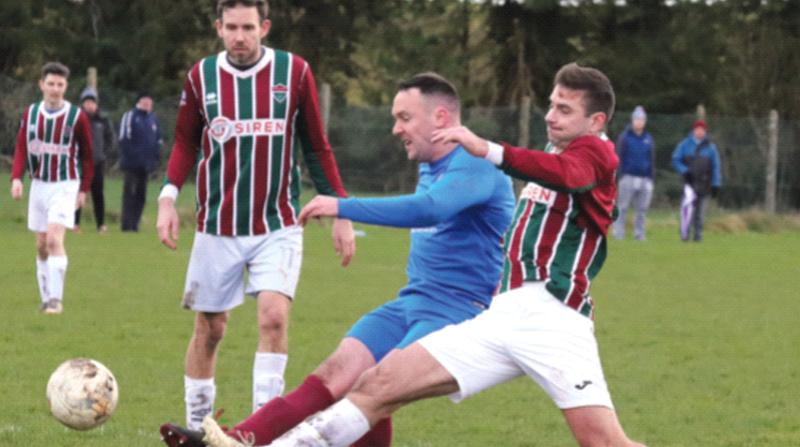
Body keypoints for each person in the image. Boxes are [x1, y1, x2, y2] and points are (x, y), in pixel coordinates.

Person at [209, 62, 646, 447]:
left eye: (564, 110)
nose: (551, 116)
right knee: (376, 384)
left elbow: (564, 175)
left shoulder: (596, 153)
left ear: (597, 121)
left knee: (604, 442)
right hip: (503, 313)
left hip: (552, 318)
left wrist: (490, 150)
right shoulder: (549, 150)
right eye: (551, 105)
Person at [159, 72, 515, 447]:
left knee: (372, 388)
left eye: (404, 118)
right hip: (413, 301)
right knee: (335, 375)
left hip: (458, 313)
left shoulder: (476, 163)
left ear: (441, 117)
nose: (396, 129)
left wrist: (343, 206)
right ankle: (234, 439)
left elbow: (430, 209)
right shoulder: (430, 162)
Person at [154, 0, 356, 433]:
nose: (240, 36)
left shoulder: (295, 72)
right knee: (211, 330)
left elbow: (317, 146)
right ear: (218, 28)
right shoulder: (201, 77)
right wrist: (168, 198)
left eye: (248, 27)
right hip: (216, 226)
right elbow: (185, 142)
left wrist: (340, 209)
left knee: (273, 317)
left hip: (277, 223)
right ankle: (197, 429)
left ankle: (262, 431)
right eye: (231, 27)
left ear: (264, 26)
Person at [9, 62, 93, 314]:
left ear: (66, 86)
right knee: (42, 244)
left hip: (65, 183)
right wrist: (16, 178)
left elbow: (89, 155)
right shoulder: (31, 113)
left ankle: (56, 300)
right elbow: (22, 147)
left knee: (55, 238)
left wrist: (83, 189)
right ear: (41, 85)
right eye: (51, 84)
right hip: (39, 184)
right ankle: (46, 298)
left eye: (60, 84)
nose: (55, 89)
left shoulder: (76, 116)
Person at [671, 119, 721, 242]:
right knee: (687, 212)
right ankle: (685, 236)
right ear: (694, 130)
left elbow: (716, 167)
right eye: (697, 129)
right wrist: (685, 171)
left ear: (705, 131)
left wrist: (716, 184)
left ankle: (698, 237)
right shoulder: (684, 144)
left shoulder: (711, 147)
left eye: (702, 130)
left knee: (700, 214)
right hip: (689, 183)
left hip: (705, 184)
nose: (699, 132)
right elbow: (675, 159)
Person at [74, 87, 115, 233]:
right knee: (77, 193)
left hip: (97, 163)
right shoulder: (77, 119)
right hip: (79, 163)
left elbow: (110, 139)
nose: (90, 105)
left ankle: (101, 224)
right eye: (87, 102)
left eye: (92, 102)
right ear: (83, 104)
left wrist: (104, 155)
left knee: (98, 194)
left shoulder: (102, 120)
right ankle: (75, 223)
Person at [119, 91, 162, 232]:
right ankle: (126, 224)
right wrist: (132, 157)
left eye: (150, 103)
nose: (148, 105)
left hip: (146, 165)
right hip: (131, 165)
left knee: (141, 195)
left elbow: (158, 140)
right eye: (145, 102)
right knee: (129, 194)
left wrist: (155, 159)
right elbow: (124, 139)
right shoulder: (130, 116)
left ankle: (135, 224)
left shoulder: (153, 119)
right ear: (139, 102)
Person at [612, 106, 655, 241]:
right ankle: (618, 233)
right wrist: (621, 175)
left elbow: (652, 158)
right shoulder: (625, 138)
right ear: (632, 120)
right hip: (628, 177)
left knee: (642, 209)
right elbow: (619, 157)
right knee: (623, 207)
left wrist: (650, 178)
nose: (639, 122)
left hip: (645, 179)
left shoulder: (648, 139)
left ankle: (639, 234)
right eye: (637, 119)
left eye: (642, 119)